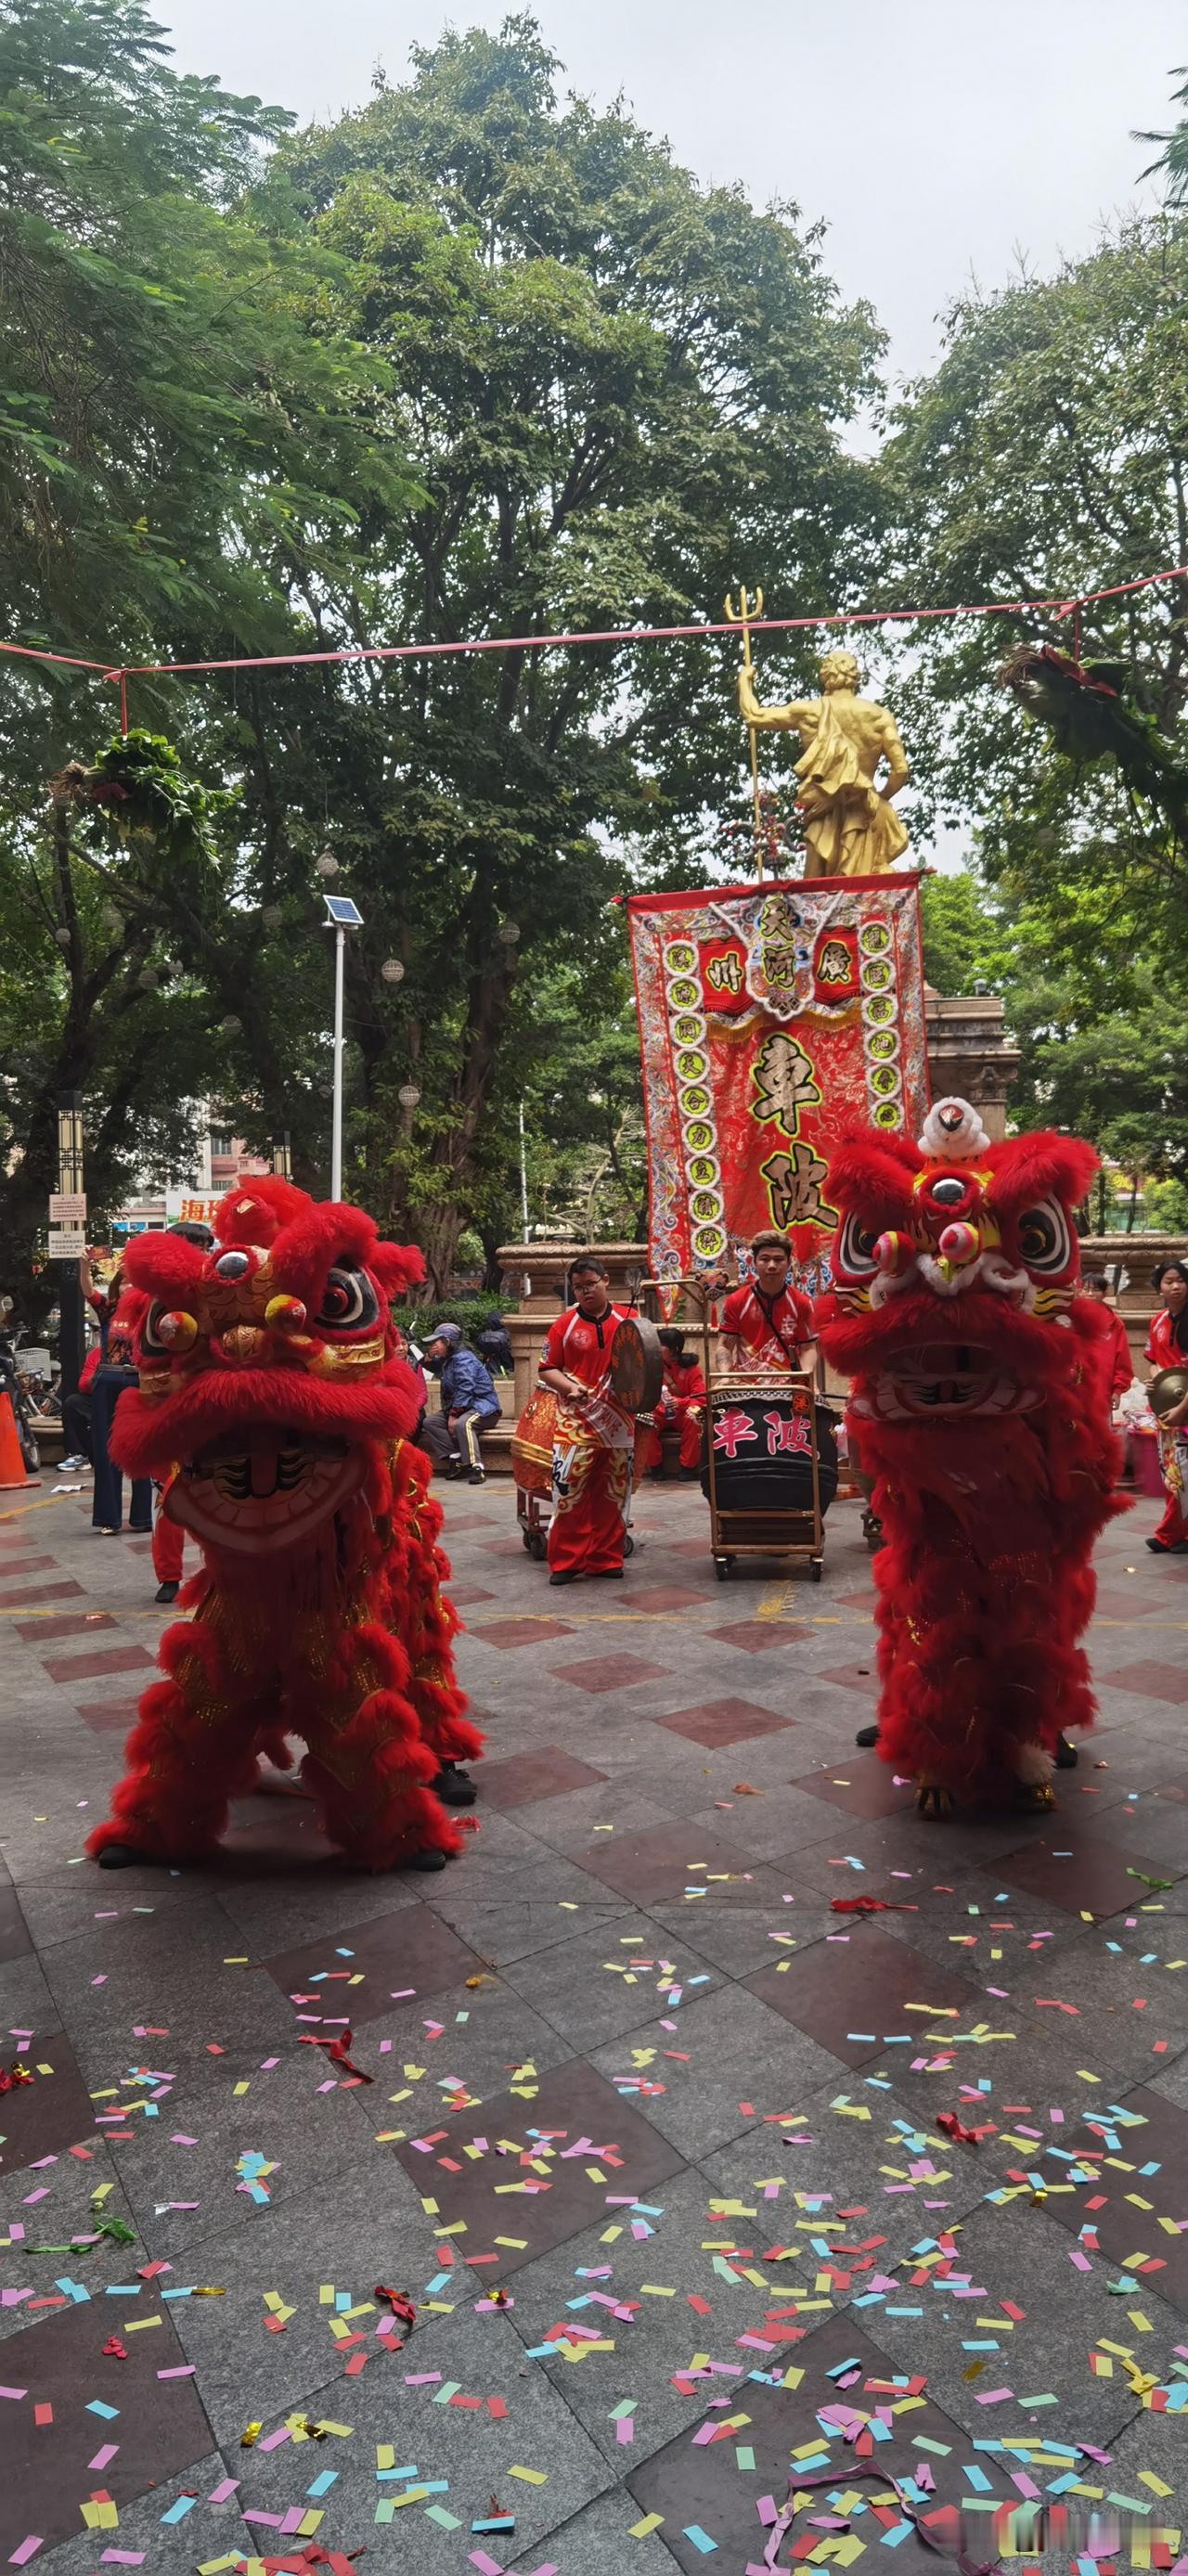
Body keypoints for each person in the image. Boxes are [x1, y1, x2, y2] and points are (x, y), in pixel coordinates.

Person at [738, 647, 910, 879]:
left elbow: (754, 716)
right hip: (865, 814)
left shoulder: (811, 711)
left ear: (826, 675)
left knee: (818, 890)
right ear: (854, 676)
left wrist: (744, 679)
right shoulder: (880, 716)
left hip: (823, 814)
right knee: (864, 889)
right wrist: (880, 798)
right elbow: (900, 769)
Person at [538, 1256, 632, 1584]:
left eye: (591, 1284)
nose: (585, 1292)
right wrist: (569, 1388)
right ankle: (566, 1562)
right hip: (574, 1421)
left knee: (613, 1492)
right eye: (578, 1287)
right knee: (568, 1492)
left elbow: (646, 1364)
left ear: (605, 1280)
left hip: (618, 1421)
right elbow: (547, 1368)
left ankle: (606, 1559)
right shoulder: (563, 1326)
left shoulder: (629, 1319)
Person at [79, 1254, 152, 1536]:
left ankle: (142, 1517)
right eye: (123, 1282)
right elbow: (87, 1290)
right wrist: (84, 1264)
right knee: (106, 1447)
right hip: (107, 1379)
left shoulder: (149, 1313)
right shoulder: (109, 1310)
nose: (128, 1287)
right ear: (116, 1287)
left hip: (137, 1381)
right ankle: (108, 1519)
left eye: (134, 1282)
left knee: (140, 1446)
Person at [720, 1231, 818, 1375]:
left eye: (778, 1259)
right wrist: (725, 1376)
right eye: (764, 1259)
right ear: (754, 1262)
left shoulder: (802, 1303)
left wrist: (805, 1378)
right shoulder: (736, 1301)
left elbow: (808, 1348)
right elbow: (725, 1346)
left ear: (789, 1263)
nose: (772, 1266)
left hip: (789, 1383)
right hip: (745, 1383)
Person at [420, 1322, 500, 1484]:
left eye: (436, 1342)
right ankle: (455, 1457)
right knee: (430, 1422)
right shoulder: (448, 1359)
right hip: (462, 1407)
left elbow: (466, 1388)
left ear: (447, 1342)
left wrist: (454, 1415)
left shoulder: (464, 1359)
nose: (433, 1345)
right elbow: (433, 1367)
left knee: (463, 1424)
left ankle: (476, 1467)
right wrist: (428, 1357)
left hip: (483, 1407)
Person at [1144, 1257, 1188, 1554]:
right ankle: (1174, 1533)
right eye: (1169, 1281)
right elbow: (1152, 1361)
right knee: (1171, 1473)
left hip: (1183, 1412)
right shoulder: (1157, 1321)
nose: (1176, 1287)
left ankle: (1171, 1534)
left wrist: (1182, 1410)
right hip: (1166, 1409)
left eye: (1181, 1280)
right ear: (1159, 1286)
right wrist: (1155, 1381)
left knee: (1184, 1473)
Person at [639, 1327, 706, 1477]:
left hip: (683, 1412)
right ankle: (655, 1466)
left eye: (661, 1344)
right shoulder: (652, 1366)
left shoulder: (692, 1370)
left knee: (694, 1419)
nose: (656, 1347)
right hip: (660, 1411)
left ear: (674, 1349)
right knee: (645, 1421)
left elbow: (701, 1397)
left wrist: (679, 1403)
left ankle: (688, 1467)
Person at [1082, 1272, 1133, 1419]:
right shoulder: (1068, 1320)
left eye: (1096, 1290)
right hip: (1074, 1390)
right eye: (1086, 1289)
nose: (1090, 1294)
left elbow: (1122, 1360)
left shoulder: (1115, 1324)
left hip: (1102, 1391)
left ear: (1104, 1294)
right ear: (1078, 1291)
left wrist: (1117, 1390)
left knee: (1102, 1429)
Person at [59, 1338, 100, 1470]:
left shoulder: (134, 1352)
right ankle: (79, 1455)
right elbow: (82, 1385)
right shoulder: (96, 1354)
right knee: (73, 1403)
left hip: (125, 1398)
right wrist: (96, 1376)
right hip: (99, 1397)